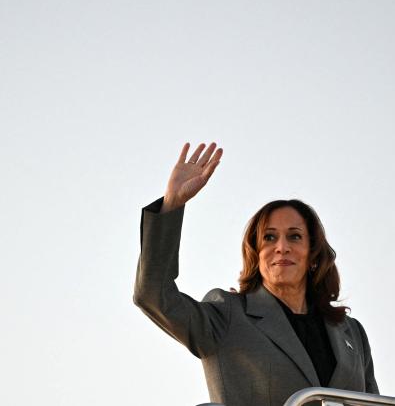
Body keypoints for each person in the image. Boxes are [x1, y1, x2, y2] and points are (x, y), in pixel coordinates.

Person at [134, 142, 378, 406]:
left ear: (313, 256)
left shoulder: (351, 333)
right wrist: (172, 204)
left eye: (294, 237)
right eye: (269, 238)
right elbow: (152, 294)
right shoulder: (227, 315)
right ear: (256, 254)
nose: (281, 247)